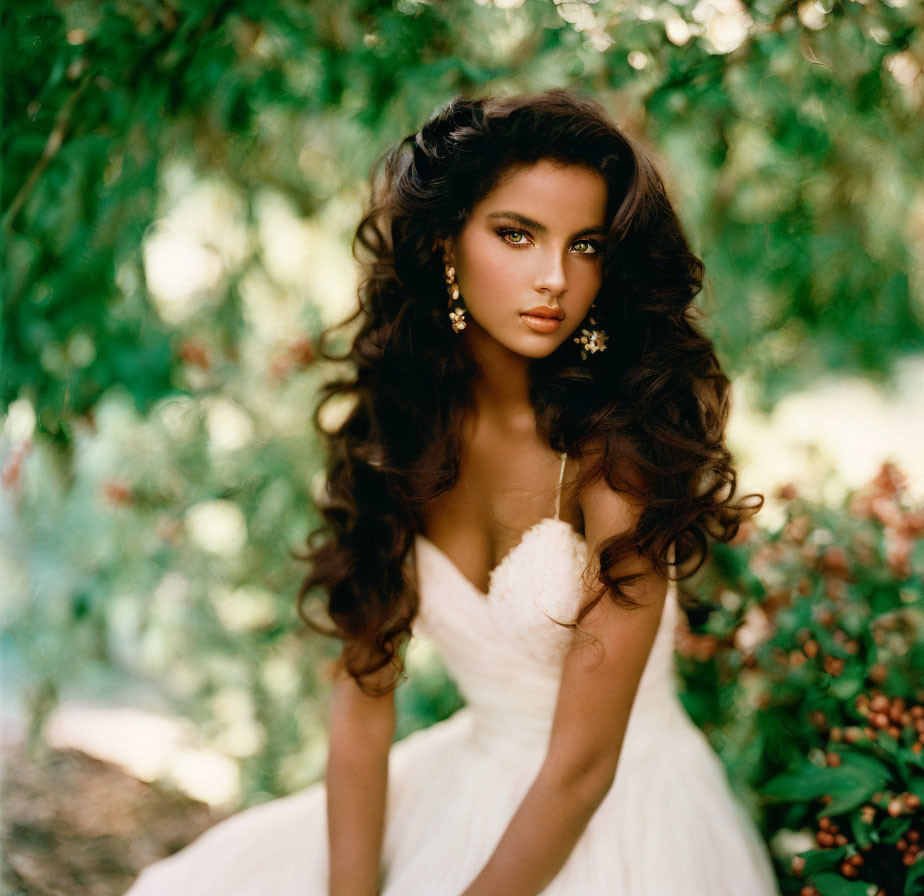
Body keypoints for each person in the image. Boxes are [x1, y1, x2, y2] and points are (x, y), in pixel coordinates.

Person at [124, 88, 781, 896]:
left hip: (624, 817)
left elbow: (582, 771)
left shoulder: (621, 449)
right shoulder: (404, 429)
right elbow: (362, 713)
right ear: (446, 244)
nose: (554, 279)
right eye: (517, 235)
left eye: (585, 245)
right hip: (469, 780)